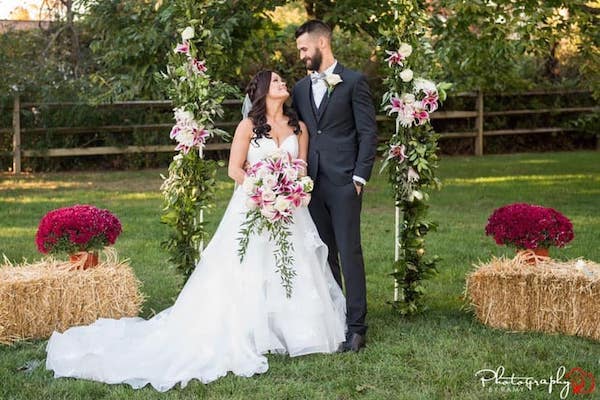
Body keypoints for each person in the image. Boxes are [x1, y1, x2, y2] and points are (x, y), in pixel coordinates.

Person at [45, 70, 346, 391]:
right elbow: (234, 169)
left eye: (282, 81)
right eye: (275, 82)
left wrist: (292, 190)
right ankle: (253, 331)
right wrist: (262, 188)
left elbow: (301, 166)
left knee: (292, 266)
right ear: (261, 91)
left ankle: (295, 332)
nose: (282, 84)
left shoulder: (298, 128)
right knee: (250, 267)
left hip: (289, 210)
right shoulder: (247, 127)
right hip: (255, 204)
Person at [292, 20, 378, 352]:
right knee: (324, 254)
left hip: (345, 182)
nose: (301, 56)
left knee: (349, 251)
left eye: (304, 48)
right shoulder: (300, 88)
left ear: (322, 43)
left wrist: (359, 177)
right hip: (311, 184)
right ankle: (335, 318)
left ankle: (357, 328)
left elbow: (368, 132)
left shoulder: (354, 81)